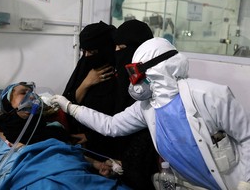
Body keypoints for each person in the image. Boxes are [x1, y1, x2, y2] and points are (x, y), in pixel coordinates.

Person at [50, 37, 250, 190]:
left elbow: (247, 137)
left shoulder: (209, 95)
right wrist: (69, 107)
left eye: (134, 73)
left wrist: (245, 182)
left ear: (157, 69)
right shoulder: (147, 107)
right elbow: (110, 126)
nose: (133, 82)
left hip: (233, 182)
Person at [0, 82, 130, 190]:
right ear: (9, 104)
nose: (31, 95)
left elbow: (66, 151)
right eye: (23, 92)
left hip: (70, 170)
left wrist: (96, 164)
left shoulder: (54, 128)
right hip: (31, 177)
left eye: (32, 92)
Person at [62, 21, 127, 161]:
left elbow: (121, 119)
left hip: (108, 147)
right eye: (84, 51)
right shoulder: (85, 65)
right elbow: (69, 102)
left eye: (92, 52)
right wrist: (86, 83)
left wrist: (91, 137)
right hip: (80, 144)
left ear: (105, 48)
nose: (86, 56)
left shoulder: (121, 73)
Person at [113, 19, 159, 190]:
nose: (117, 53)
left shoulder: (155, 87)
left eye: (123, 49)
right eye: (116, 48)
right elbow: (113, 124)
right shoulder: (119, 78)